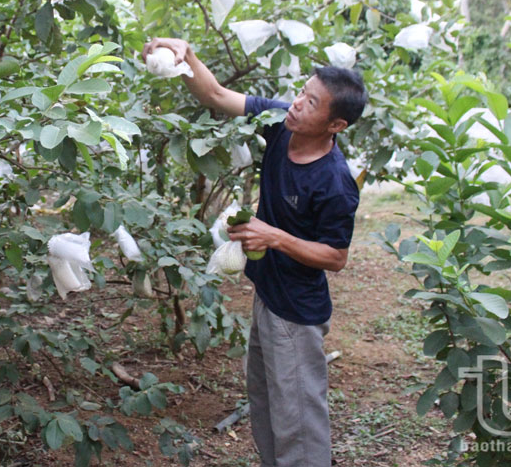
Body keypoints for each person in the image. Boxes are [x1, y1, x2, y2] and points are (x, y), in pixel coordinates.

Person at [141, 38, 367, 467]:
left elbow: (336, 257)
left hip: (297, 313)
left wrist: (274, 236)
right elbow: (216, 95)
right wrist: (186, 54)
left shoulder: (334, 182)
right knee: (266, 405)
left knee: (299, 421)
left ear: (335, 124)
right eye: (301, 91)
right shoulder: (283, 122)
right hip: (268, 295)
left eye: (311, 101)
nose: (297, 103)